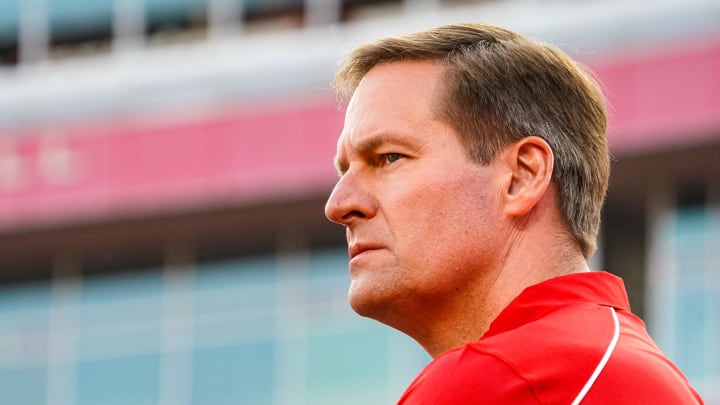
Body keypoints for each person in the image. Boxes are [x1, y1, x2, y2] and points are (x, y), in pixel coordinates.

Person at [323, 23, 703, 404]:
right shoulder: (627, 369)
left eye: (388, 158)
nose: (339, 205)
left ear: (522, 177)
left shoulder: (508, 378)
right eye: (345, 170)